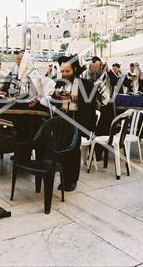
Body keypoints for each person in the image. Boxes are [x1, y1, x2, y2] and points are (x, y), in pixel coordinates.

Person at [51, 55, 97, 192]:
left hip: (76, 120)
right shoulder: (60, 83)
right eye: (63, 71)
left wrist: (72, 98)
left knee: (73, 151)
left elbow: (91, 104)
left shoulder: (86, 84)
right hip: (62, 119)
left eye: (67, 71)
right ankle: (64, 178)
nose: (64, 74)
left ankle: (72, 180)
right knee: (62, 150)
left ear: (74, 70)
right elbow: (53, 102)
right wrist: (56, 96)